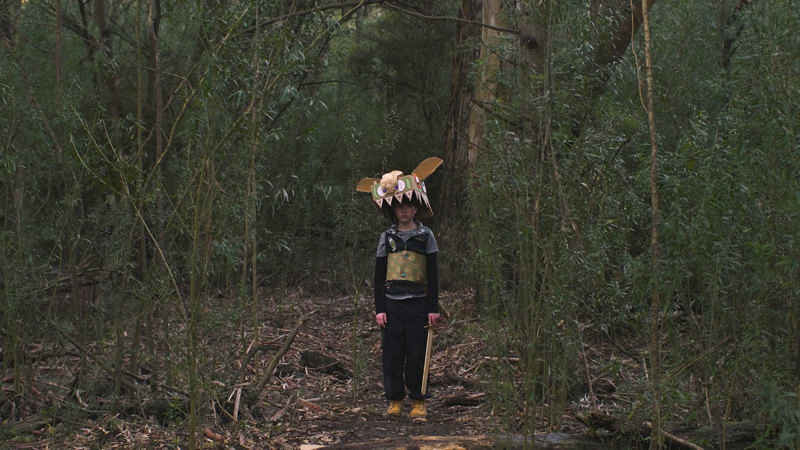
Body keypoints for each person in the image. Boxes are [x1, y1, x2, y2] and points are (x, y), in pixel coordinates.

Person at [356, 157, 443, 418]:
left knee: (417, 354)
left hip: (418, 303)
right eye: (399, 207)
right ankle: (394, 400)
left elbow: (433, 274)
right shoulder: (388, 237)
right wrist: (380, 308)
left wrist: (433, 308)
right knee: (393, 354)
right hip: (393, 304)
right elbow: (379, 275)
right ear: (393, 210)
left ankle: (418, 400)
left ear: (416, 209)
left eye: (408, 206)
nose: (404, 211)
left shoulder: (425, 236)